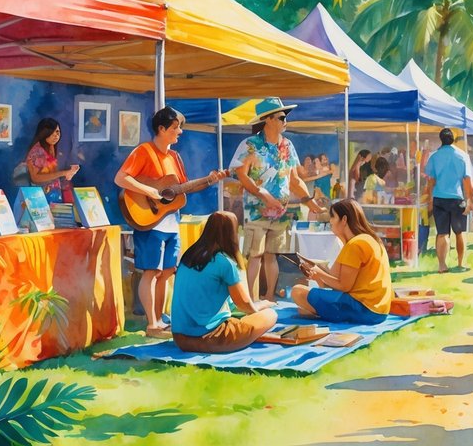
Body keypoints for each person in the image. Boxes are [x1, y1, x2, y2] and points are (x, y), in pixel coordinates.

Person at [116, 106, 228, 339]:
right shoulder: (143, 151)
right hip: (150, 222)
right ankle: (151, 324)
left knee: (167, 271)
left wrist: (210, 180)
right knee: (151, 272)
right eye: (176, 127)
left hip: (170, 223)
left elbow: (182, 188)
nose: (180, 132)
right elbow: (121, 178)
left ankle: (159, 319)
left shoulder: (175, 157)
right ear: (161, 128)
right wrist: (149, 191)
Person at [230, 98, 324, 303]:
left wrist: (309, 202)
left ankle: (268, 296)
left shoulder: (287, 145)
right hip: (256, 210)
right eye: (281, 117)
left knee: (272, 254)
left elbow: (294, 179)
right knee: (255, 255)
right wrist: (262, 194)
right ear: (268, 119)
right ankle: (251, 300)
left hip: (280, 211)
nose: (285, 121)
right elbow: (241, 174)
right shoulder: (250, 145)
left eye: (285, 117)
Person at [171, 211, 278, 353]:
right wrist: (258, 310)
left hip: (180, 339)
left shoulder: (189, 256)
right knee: (271, 314)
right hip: (211, 337)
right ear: (232, 233)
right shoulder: (224, 262)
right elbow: (243, 304)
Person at [291, 200, 393, 325]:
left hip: (365, 310)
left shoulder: (356, 244)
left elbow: (344, 286)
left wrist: (319, 272)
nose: (330, 221)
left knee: (297, 291)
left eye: (333, 216)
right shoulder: (365, 240)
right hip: (378, 311)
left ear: (344, 219)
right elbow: (334, 282)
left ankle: (321, 312)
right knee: (303, 309)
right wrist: (318, 277)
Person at [423, 128, 473, 273]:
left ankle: (442, 265)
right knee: (459, 232)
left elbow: (431, 181)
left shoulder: (434, 156)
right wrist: (470, 199)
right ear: (453, 139)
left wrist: (429, 198)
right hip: (457, 198)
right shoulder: (462, 155)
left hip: (439, 198)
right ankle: (460, 263)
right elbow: (467, 180)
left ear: (441, 139)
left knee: (442, 233)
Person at [23, 118, 79, 204]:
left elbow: (51, 174)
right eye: (51, 133)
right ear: (44, 133)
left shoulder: (51, 148)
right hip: (40, 198)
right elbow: (35, 178)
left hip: (53, 196)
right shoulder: (37, 151)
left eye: (57, 132)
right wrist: (63, 173)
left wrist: (69, 173)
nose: (56, 135)